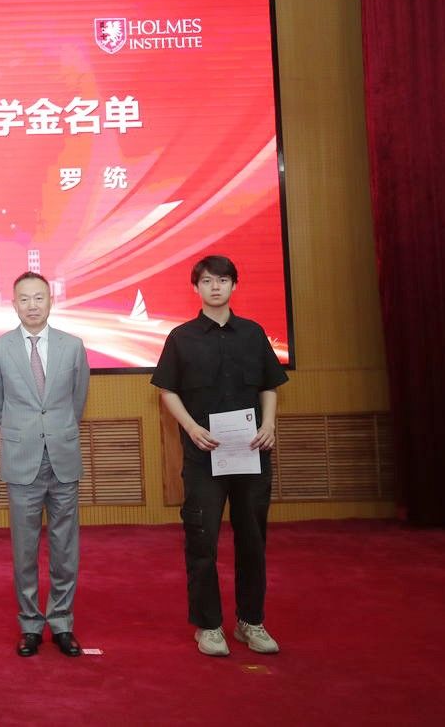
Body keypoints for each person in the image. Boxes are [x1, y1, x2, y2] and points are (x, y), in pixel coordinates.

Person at [150, 255, 289, 658]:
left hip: (250, 454)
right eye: (208, 281)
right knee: (202, 541)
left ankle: (251, 622)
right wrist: (191, 427)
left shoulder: (253, 333)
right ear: (196, 287)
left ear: (234, 286)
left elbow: (268, 386)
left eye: (223, 280)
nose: (215, 287)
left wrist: (269, 424)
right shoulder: (181, 337)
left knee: (253, 541)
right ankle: (209, 626)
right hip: (203, 457)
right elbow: (167, 390)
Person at [0, 272, 90, 657]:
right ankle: (29, 624)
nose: (32, 305)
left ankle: (61, 622)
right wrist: (22, 434)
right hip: (21, 459)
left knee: (65, 547)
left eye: (39, 298)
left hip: (63, 456)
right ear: (14, 304)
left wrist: (55, 431)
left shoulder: (73, 346)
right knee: (24, 549)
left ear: (51, 301)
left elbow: (77, 402)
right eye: (24, 299)